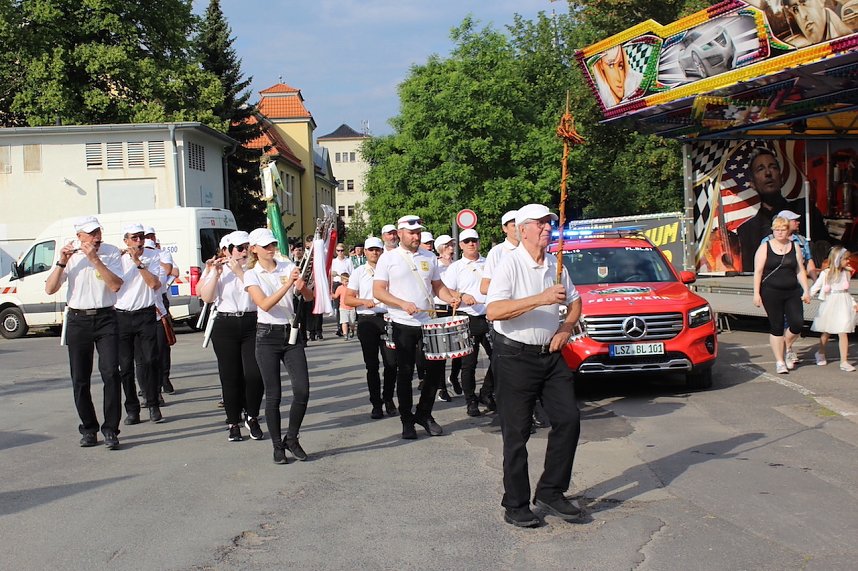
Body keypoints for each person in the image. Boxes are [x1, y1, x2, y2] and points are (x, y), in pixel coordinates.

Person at [486, 203, 583, 527]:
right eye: (540, 224)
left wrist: (566, 328)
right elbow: (494, 310)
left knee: (568, 419)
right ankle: (515, 504)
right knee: (517, 433)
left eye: (550, 224)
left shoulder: (556, 265)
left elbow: (575, 300)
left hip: (550, 355)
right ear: (523, 228)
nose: (547, 229)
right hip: (514, 357)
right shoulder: (509, 264)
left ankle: (551, 491)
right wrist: (540, 299)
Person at [373, 215, 462, 440]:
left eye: (418, 232)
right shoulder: (388, 258)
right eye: (411, 233)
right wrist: (402, 303)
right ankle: (406, 419)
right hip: (403, 323)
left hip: (428, 323)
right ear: (400, 233)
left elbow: (437, 286)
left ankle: (424, 413)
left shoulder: (429, 256)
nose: (416, 236)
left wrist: (450, 297)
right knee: (405, 372)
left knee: (435, 371)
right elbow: (379, 291)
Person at [45, 216, 124, 449]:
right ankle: (89, 429)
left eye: (98, 232)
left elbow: (116, 285)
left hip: (106, 317)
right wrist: (61, 261)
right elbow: (50, 289)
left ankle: (111, 429)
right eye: (90, 234)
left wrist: (95, 260)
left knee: (111, 373)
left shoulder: (110, 252)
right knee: (80, 378)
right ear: (79, 236)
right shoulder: (70, 256)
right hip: (78, 319)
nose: (96, 237)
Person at [243, 228, 314, 464]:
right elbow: (264, 304)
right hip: (267, 335)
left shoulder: (286, 266)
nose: (271, 249)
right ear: (254, 249)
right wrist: (287, 285)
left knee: (302, 390)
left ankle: (291, 438)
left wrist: (301, 285)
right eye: (265, 246)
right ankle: (277, 447)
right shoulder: (252, 274)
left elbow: (308, 297)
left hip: (291, 333)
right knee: (273, 395)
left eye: (272, 244)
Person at [199, 230, 265, 442]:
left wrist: (239, 272)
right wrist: (215, 273)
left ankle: (252, 416)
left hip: (251, 322)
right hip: (225, 323)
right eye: (239, 248)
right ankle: (232, 422)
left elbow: (259, 294)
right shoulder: (217, 269)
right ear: (227, 250)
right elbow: (207, 297)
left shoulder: (255, 269)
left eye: (246, 246)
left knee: (254, 374)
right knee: (230, 376)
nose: (244, 251)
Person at [736, 147, 830, 270]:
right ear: (752, 183)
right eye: (760, 169)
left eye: (773, 167)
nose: (768, 173)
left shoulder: (805, 210)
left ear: (781, 178)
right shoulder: (746, 231)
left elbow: (826, 252)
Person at [115, 223, 164, 426]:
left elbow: (154, 284)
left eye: (141, 237)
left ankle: (153, 403)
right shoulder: (117, 259)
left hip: (145, 313)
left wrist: (138, 262)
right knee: (125, 366)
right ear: (126, 240)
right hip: (122, 315)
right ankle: (132, 409)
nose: (138, 241)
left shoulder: (152, 256)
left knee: (151, 360)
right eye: (134, 238)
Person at [442, 228, 494, 417]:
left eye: (474, 240)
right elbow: (446, 290)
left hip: (490, 315)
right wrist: (462, 295)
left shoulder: (489, 263)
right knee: (468, 363)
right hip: (467, 317)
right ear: (461, 245)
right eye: (467, 241)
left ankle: (487, 392)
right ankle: (470, 400)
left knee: (498, 358)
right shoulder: (456, 267)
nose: (472, 244)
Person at [346, 237, 399, 419]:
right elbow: (347, 299)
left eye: (377, 249)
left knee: (392, 363)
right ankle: (376, 403)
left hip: (388, 318)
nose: (374, 253)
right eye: (371, 250)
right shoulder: (359, 272)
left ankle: (388, 398)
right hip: (367, 320)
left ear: (381, 251)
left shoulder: (390, 270)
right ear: (365, 252)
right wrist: (363, 301)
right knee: (372, 365)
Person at [753, 216, 811, 374]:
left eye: (783, 229)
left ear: (788, 231)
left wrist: (806, 290)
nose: (779, 232)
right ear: (772, 230)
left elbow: (799, 269)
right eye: (776, 229)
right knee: (777, 326)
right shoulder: (765, 247)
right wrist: (756, 293)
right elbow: (758, 271)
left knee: (797, 323)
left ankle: (787, 345)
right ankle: (780, 361)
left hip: (792, 291)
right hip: (770, 291)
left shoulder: (795, 246)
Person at [810, 246, 856, 371]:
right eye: (845, 259)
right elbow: (816, 286)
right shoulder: (826, 273)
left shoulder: (846, 272)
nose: (848, 261)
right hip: (831, 303)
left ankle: (844, 361)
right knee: (826, 331)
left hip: (844, 302)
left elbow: (847, 291)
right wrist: (807, 295)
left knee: (843, 330)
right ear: (837, 259)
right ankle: (820, 352)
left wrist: (853, 302)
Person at [143, 225, 176, 396]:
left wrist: (152, 258)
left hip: (159, 303)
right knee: (145, 354)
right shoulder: (133, 260)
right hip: (141, 307)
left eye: (150, 237)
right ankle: (149, 388)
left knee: (162, 347)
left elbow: (169, 272)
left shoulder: (161, 255)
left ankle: (164, 377)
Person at [432, 234, 459, 401]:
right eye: (448, 245)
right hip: (439, 309)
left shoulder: (457, 265)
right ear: (441, 248)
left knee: (458, 348)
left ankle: (454, 377)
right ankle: (441, 387)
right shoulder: (435, 265)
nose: (451, 247)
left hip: (456, 308)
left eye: (452, 245)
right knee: (442, 351)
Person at [480, 210, 519, 295]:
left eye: (521, 225)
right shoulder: (497, 252)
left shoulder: (531, 250)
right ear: (505, 228)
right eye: (514, 225)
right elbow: (484, 287)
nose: (518, 229)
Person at [781, 0, 851, 47]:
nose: (803, 15)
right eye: (795, 9)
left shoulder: (849, 34)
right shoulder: (796, 46)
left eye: (804, 2)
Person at [331, 243, 354, 336]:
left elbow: (352, 273)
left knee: (348, 305)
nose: (340, 252)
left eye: (342, 250)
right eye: (338, 251)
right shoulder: (334, 262)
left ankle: (349, 326)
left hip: (347, 284)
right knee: (339, 307)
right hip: (337, 284)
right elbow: (331, 275)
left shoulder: (348, 261)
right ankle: (340, 327)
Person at [333, 272, 357, 339]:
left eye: (348, 281)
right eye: (345, 281)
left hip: (352, 308)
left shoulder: (352, 288)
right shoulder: (340, 288)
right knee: (344, 322)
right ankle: (345, 334)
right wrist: (330, 294)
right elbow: (335, 296)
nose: (347, 283)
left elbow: (356, 295)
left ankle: (352, 330)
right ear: (342, 281)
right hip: (343, 308)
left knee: (352, 322)